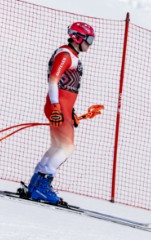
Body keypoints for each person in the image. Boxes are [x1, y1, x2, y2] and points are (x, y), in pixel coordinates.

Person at [27, 22, 95, 204]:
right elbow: (53, 80)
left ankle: (36, 184)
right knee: (67, 147)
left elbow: (66, 85)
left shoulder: (72, 56)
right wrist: (57, 107)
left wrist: (70, 111)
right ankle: (42, 186)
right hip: (57, 107)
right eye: (89, 39)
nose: (90, 44)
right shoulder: (65, 55)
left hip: (62, 107)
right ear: (78, 37)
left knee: (58, 146)